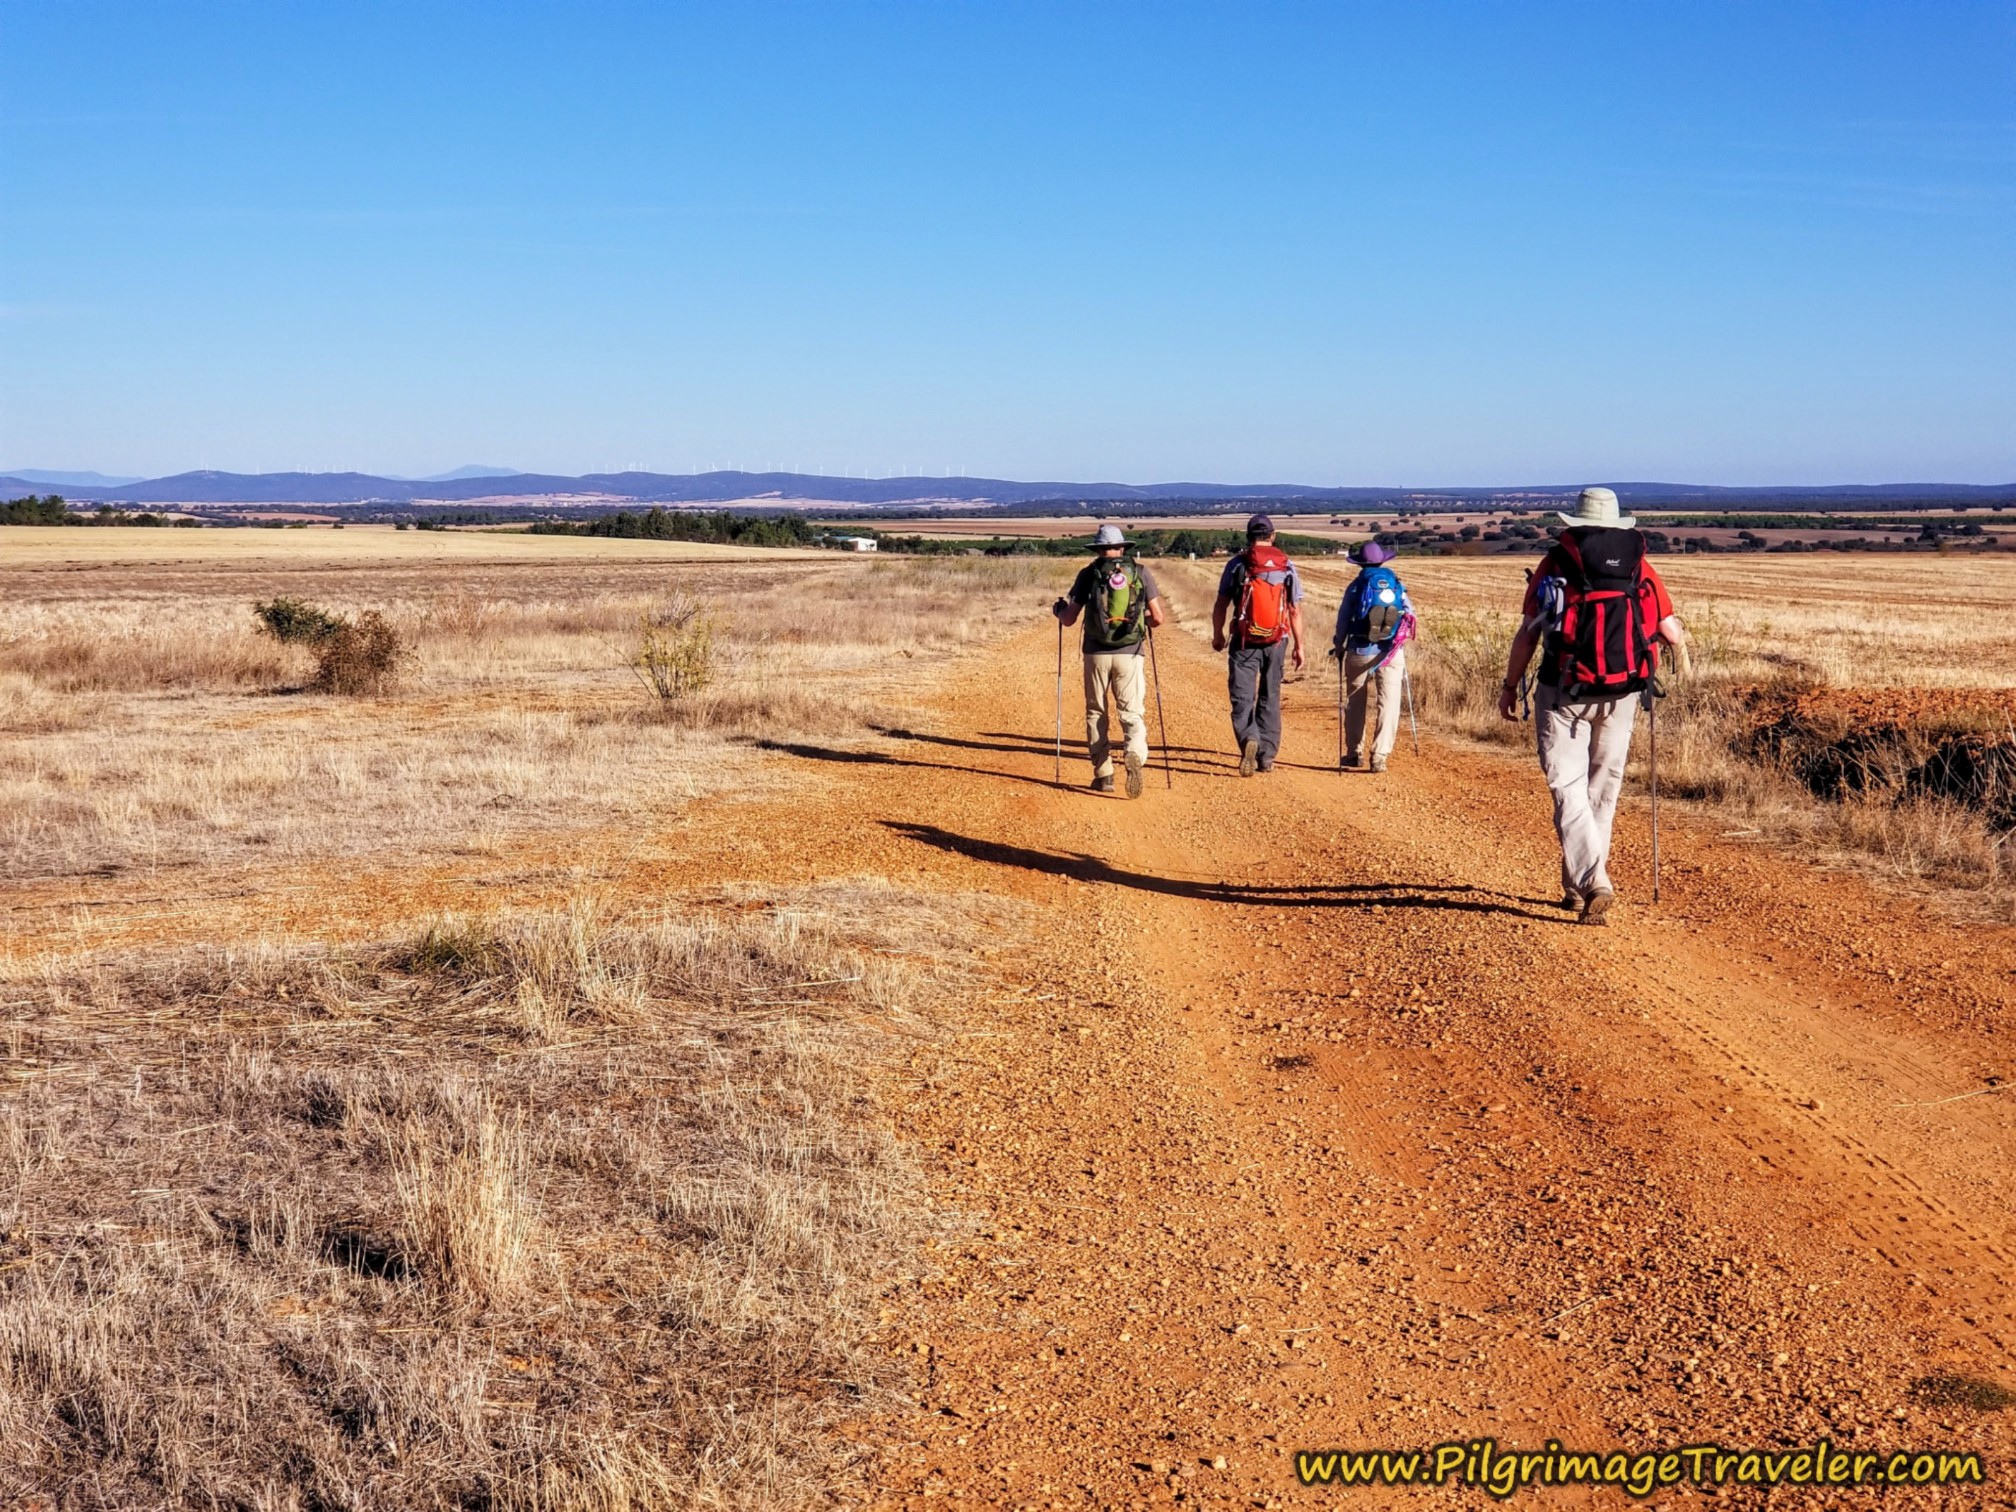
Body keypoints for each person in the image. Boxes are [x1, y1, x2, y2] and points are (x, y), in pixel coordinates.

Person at [1498, 487, 1687, 925]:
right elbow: (1672, 634)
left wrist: (1510, 687)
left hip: (1562, 688)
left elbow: (1528, 634)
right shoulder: (1639, 564)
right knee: (1603, 790)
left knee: (1568, 787)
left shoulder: (1556, 562)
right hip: (1623, 691)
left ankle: (1592, 881)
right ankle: (1579, 888)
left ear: (1575, 522)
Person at [1052, 524, 1168, 797]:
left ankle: (1104, 774)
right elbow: (1158, 618)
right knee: (1131, 711)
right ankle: (1135, 754)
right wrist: (1139, 622)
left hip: (1095, 653)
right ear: (1123, 547)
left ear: (1098, 549)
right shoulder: (1139, 573)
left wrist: (1058, 611)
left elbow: (1069, 619)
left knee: (1096, 711)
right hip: (1130, 652)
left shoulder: (1088, 574)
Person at [1211, 513, 1306, 775]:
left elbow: (1221, 603)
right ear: (1273, 536)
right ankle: (1267, 757)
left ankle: (1249, 738)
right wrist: (1299, 646)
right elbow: (1294, 609)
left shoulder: (1237, 564)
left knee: (1242, 697)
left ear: (1249, 537)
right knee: (1270, 695)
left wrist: (1218, 634)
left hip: (1244, 640)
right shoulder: (1287, 566)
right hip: (1278, 639)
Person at [1332, 540, 1412, 773]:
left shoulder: (1356, 586)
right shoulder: (1397, 583)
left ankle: (1354, 753)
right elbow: (1409, 613)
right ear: (1383, 560)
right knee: (1389, 703)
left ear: (1360, 563)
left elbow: (1343, 620)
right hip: (1391, 651)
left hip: (1359, 648)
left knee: (1355, 701)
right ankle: (1379, 756)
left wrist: (1339, 645)